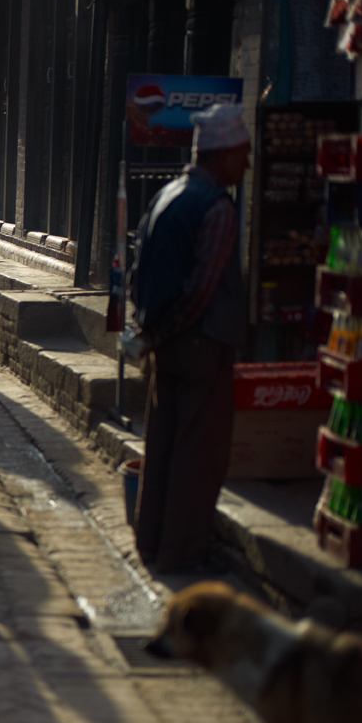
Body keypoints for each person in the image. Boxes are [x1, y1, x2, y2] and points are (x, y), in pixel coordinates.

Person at [127, 103, 251, 573]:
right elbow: (202, 287)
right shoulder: (218, 207)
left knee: (161, 444)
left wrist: (153, 332)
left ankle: (152, 544)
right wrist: (174, 327)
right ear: (221, 155)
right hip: (200, 343)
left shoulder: (167, 194)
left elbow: (140, 272)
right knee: (197, 454)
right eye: (242, 153)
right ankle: (181, 555)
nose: (246, 164)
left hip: (166, 344)